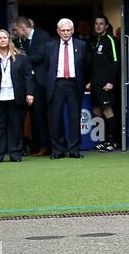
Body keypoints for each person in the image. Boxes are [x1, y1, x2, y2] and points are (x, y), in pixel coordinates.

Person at [0, 29, 35, 163]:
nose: (2, 40)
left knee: (15, 126)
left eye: (5, 38)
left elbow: (28, 77)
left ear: (9, 40)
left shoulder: (21, 56)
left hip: (15, 96)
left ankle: (15, 154)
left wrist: (30, 93)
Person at [37, 18, 89, 159]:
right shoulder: (50, 46)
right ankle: (58, 150)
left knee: (74, 118)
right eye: (63, 30)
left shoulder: (81, 45)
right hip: (56, 84)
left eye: (68, 30)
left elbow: (85, 66)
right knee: (55, 118)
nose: (66, 33)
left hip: (74, 84)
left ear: (72, 31)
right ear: (58, 31)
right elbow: (46, 67)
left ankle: (74, 149)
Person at [12, 16, 52, 155]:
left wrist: (19, 59)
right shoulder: (24, 41)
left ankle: (45, 145)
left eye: (17, 30)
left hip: (41, 82)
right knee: (34, 115)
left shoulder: (42, 36)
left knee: (40, 114)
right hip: (30, 82)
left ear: (23, 28)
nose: (17, 33)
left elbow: (39, 56)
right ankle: (37, 145)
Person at [89, 15, 121, 151]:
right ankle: (103, 140)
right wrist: (91, 81)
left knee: (108, 111)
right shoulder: (96, 40)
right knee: (97, 111)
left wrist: (111, 82)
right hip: (96, 84)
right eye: (96, 24)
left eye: (101, 24)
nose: (98, 26)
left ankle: (112, 142)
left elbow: (115, 62)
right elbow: (96, 64)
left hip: (106, 84)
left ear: (106, 26)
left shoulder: (110, 40)